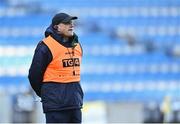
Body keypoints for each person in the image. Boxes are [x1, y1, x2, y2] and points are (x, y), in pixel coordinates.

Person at [28, 12, 84, 123]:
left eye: (72, 22)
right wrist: (48, 94)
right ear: (56, 27)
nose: (71, 25)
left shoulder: (77, 45)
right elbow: (34, 75)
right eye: (67, 23)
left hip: (75, 104)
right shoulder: (45, 46)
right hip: (55, 106)